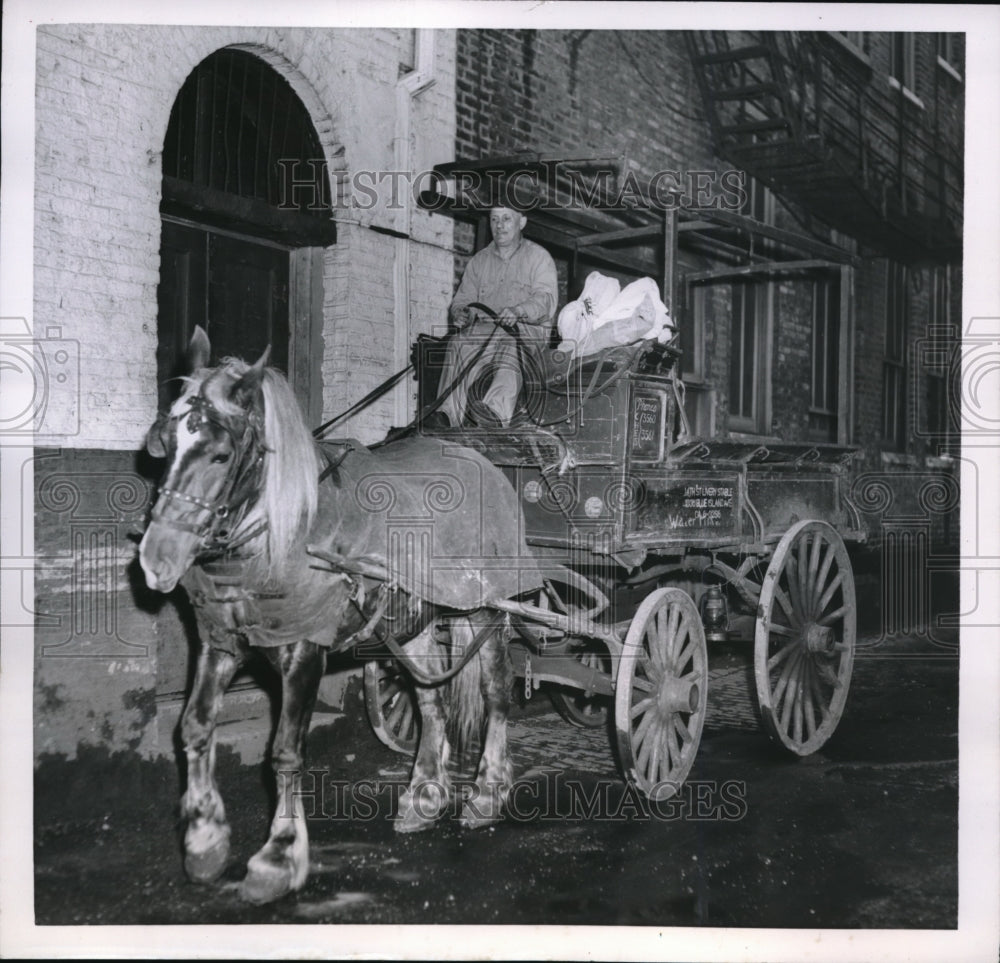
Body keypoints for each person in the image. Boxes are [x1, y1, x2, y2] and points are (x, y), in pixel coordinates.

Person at [429, 205, 558, 428]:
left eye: (506, 219)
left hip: (526, 330)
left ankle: (494, 414)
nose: (499, 225)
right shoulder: (479, 261)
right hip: (487, 331)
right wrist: (462, 313)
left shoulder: (539, 257)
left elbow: (545, 300)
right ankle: (447, 414)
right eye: (494, 219)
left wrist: (519, 311)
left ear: (521, 222)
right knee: (458, 343)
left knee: (511, 344)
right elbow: (463, 299)